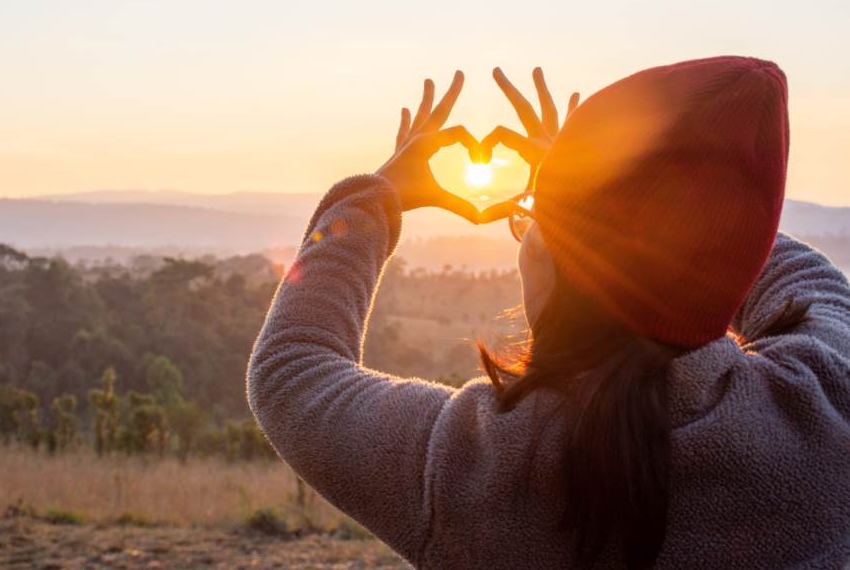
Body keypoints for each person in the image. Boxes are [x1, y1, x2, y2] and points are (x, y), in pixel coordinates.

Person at [246, 57, 850, 569]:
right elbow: (790, 274)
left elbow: (292, 371)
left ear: (552, 261)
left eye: (534, 215)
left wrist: (373, 196)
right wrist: (647, 197)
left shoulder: (475, 467)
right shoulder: (825, 409)